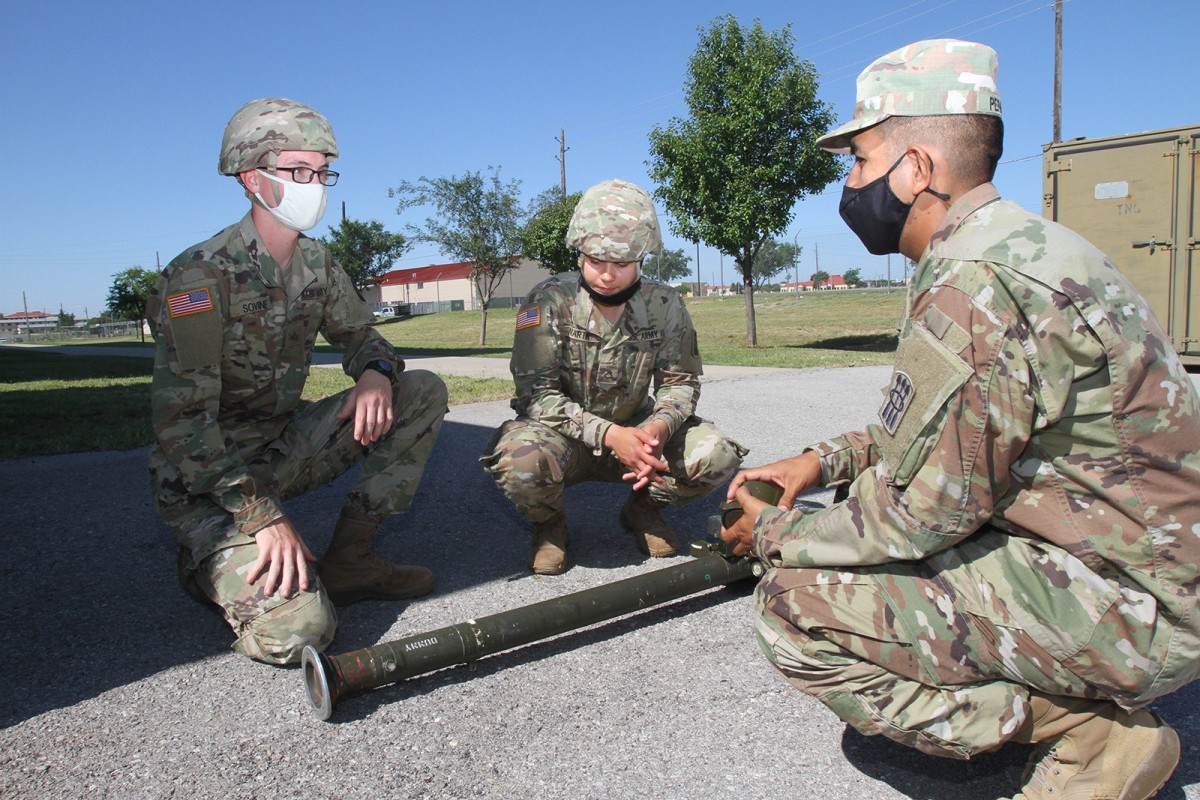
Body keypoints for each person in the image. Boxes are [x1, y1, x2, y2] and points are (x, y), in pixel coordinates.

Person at [720, 40, 1200, 800]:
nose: (848, 184)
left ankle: (1087, 738)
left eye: (859, 160)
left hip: (1140, 608)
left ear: (915, 169)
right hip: (1145, 568)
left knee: (793, 606)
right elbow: (933, 436)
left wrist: (773, 534)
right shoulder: (1016, 247)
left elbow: (922, 511)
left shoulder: (975, 283)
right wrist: (820, 464)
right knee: (857, 512)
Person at [147, 98, 448, 666]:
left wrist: (377, 375)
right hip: (206, 479)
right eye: (298, 172)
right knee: (299, 632)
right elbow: (181, 424)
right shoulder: (199, 277)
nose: (315, 186)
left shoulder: (319, 265)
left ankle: (351, 561)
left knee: (422, 391)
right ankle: (209, 558)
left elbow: (366, 339)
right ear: (250, 177)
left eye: (321, 173)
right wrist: (263, 517)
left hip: (280, 449)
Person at [483, 178, 746, 574]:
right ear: (579, 254)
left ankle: (642, 510)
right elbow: (536, 395)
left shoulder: (665, 304)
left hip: (638, 433)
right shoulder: (548, 299)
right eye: (595, 262)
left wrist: (658, 427)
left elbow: (680, 383)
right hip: (563, 438)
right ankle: (550, 524)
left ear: (642, 258)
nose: (607, 275)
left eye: (621, 264)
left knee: (715, 455)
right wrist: (609, 436)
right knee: (521, 460)